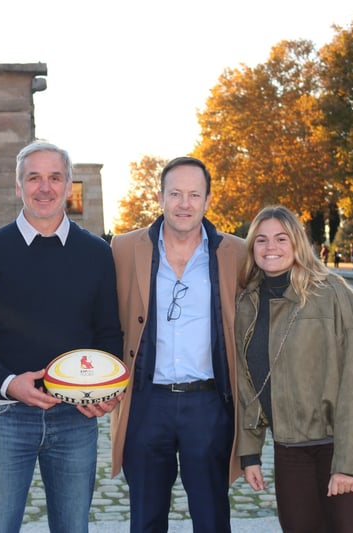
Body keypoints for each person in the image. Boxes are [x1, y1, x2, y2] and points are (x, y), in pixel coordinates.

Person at [0, 141, 123, 533]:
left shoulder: (96, 252)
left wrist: (106, 390)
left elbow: (108, 332)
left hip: (75, 417)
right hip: (6, 415)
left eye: (54, 178)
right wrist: (8, 383)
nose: (44, 188)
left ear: (68, 186)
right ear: (18, 186)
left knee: (73, 528)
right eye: (34, 178)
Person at [235, 205, 353, 533]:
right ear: (252, 247)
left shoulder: (330, 292)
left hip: (340, 444)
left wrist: (348, 463)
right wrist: (250, 453)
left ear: (297, 243)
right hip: (290, 452)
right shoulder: (247, 303)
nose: (270, 247)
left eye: (281, 238)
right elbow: (246, 384)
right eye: (261, 240)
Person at [110, 156, 247, 533]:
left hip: (208, 404)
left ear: (208, 200)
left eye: (194, 194)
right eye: (175, 194)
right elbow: (107, 320)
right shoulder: (123, 248)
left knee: (212, 517)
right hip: (145, 403)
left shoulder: (236, 253)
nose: (184, 204)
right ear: (160, 197)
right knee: (146, 518)